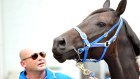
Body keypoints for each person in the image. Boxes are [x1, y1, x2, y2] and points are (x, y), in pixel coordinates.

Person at [19, 48, 96, 79]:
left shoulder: (62, 78)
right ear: (23, 64)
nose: (40, 58)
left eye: (42, 54)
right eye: (34, 56)